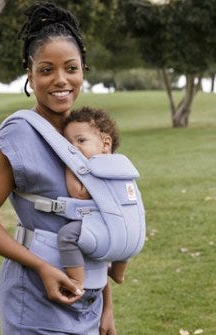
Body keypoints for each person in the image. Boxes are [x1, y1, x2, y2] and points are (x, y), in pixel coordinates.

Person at [0, 2, 117, 334]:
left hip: (88, 300)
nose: (61, 80)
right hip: (34, 297)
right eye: (46, 70)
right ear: (30, 76)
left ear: (83, 70)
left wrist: (106, 303)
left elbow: (95, 221)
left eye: (71, 68)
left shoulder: (85, 135)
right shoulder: (19, 133)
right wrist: (41, 267)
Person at [58, 106, 127, 294]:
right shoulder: (121, 163)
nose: (73, 148)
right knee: (125, 244)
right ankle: (119, 273)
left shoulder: (97, 167)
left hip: (104, 222)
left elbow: (80, 194)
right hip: (127, 225)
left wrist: (69, 166)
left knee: (67, 235)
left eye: (81, 140)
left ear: (105, 144)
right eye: (68, 144)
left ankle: (77, 280)